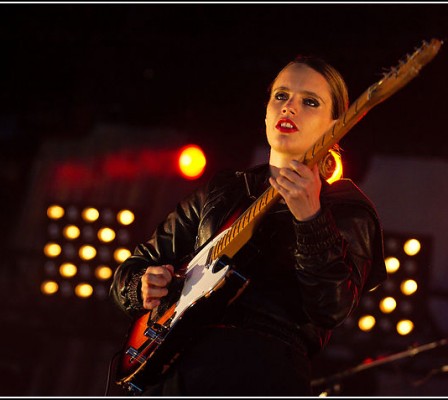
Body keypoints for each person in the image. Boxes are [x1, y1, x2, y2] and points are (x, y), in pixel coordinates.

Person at [110, 55, 387, 396]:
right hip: (177, 372)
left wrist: (311, 219)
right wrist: (142, 285)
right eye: (281, 96)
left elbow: (332, 307)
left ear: (336, 125)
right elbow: (131, 269)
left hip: (261, 374)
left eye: (310, 102)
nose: (290, 108)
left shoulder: (348, 209)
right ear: (267, 111)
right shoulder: (224, 189)